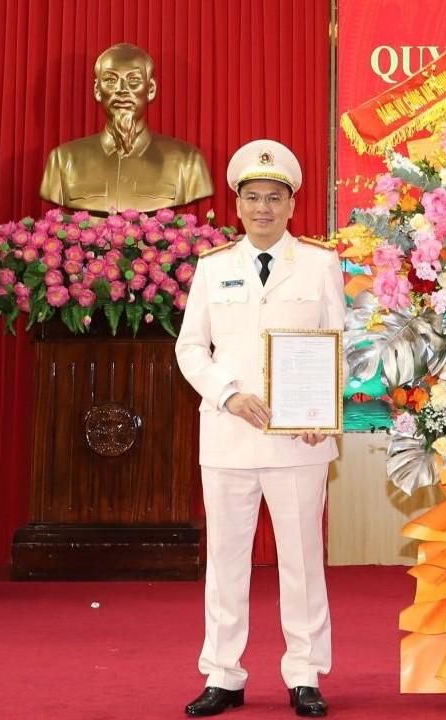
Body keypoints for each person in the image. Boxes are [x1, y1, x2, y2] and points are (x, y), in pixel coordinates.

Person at [176, 139, 345, 717]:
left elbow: (340, 345)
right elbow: (190, 348)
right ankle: (223, 674)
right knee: (225, 562)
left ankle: (305, 674)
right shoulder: (213, 266)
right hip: (228, 436)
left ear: (292, 204)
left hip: (299, 441)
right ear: (238, 205)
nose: (263, 208)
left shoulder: (320, 264)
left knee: (302, 562)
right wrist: (228, 393)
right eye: (253, 198)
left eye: (274, 197)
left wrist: (323, 411)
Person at [40, 43, 213, 212]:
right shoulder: (63, 160)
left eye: (133, 80)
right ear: (97, 90)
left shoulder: (187, 162)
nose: (121, 90)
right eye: (110, 80)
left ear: (151, 89)